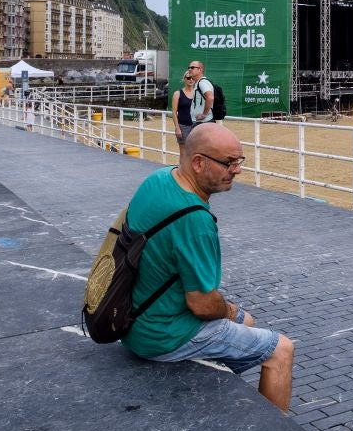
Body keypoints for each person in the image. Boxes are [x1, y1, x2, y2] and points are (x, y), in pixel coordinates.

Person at [120, 123, 295, 412]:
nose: (236, 170)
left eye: (239, 161)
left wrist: (235, 315)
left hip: (133, 319)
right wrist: (230, 311)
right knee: (280, 350)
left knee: (247, 321)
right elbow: (201, 304)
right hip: (161, 335)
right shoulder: (196, 222)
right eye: (229, 162)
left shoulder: (159, 179)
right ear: (198, 163)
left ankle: (208, 384)